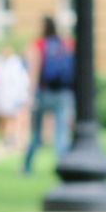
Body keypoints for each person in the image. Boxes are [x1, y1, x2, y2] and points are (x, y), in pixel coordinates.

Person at [23, 17, 75, 175]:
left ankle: (26, 167)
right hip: (62, 93)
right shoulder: (66, 44)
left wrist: (30, 95)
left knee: (36, 134)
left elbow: (34, 71)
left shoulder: (38, 44)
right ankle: (62, 167)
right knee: (60, 133)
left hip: (43, 93)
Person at [0, 46, 30, 148]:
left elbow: (22, 81)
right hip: (4, 96)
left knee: (16, 118)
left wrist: (22, 96)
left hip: (14, 96)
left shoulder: (15, 64)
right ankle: (8, 137)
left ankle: (15, 137)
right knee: (5, 118)